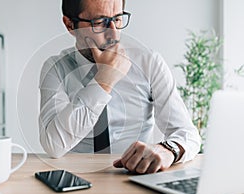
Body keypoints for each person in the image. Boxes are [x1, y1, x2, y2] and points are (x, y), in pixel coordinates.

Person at [39, 0, 201, 174]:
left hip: (134, 176)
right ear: (70, 25)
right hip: (76, 177)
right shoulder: (56, 68)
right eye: (100, 22)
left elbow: (187, 133)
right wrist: (104, 81)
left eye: (117, 19)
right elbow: (53, 145)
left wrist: (169, 150)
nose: (113, 34)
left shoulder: (148, 63)